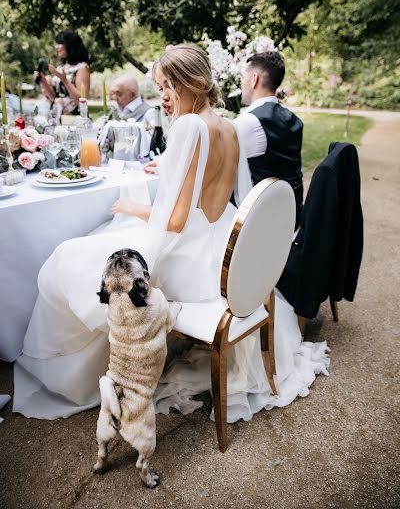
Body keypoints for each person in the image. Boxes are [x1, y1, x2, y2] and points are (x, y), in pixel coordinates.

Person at [14, 44, 329, 423]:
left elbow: (176, 220)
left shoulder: (190, 126)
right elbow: (217, 204)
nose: (163, 95)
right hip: (225, 252)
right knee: (109, 243)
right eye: (160, 86)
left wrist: (134, 208)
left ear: (195, 84)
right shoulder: (228, 125)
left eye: (170, 86)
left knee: (68, 257)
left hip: (196, 265)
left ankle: (78, 377)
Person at [235, 51, 304, 228]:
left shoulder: (248, 123)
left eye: (244, 77)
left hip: (259, 222)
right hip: (291, 215)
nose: (241, 83)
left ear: (254, 79)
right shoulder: (294, 120)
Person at [34, 30, 90, 115]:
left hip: (75, 119)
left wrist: (65, 80)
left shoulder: (82, 68)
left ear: (70, 46)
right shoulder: (61, 68)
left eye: (60, 43)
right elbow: (53, 97)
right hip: (59, 118)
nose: (56, 47)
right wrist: (43, 81)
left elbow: (82, 100)